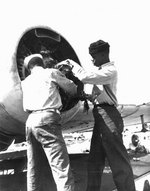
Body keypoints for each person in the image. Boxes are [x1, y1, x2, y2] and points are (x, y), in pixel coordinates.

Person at [61, 40, 136, 191]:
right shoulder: (103, 72)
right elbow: (101, 95)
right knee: (94, 162)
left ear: (103, 54)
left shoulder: (110, 71)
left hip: (108, 116)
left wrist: (71, 64)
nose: (92, 60)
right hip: (101, 117)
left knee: (118, 161)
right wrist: (87, 96)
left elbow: (85, 77)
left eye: (93, 56)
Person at [21, 54, 77, 191]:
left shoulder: (25, 82)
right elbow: (72, 89)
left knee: (33, 168)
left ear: (29, 68)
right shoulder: (51, 72)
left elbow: (24, 107)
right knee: (61, 168)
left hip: (30, 121)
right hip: (48, 119)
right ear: (42, 63)